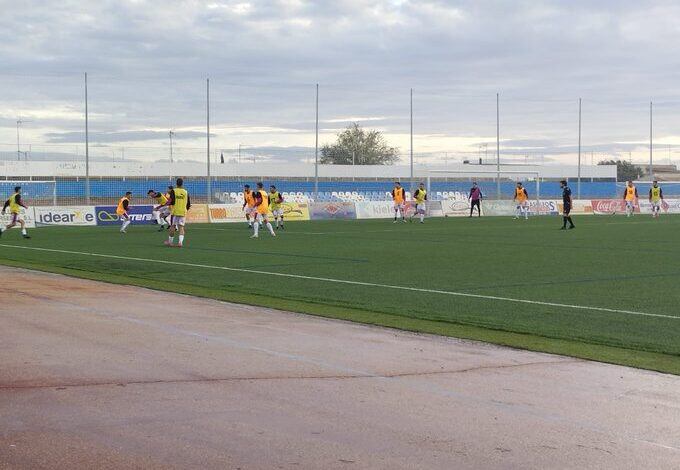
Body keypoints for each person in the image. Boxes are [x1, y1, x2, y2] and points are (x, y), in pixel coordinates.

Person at [163, 178, 191, 247]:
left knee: (173, 226)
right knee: (181, 227)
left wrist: (166, 204)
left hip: (175, 211)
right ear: (182, 183)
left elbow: (171, 201)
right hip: (183, 211)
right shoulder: (185, 192)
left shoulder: (174, 191)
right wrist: (185, 209)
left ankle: (170, 242)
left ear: (176, 183)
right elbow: (188, 204)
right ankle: (180, 242)